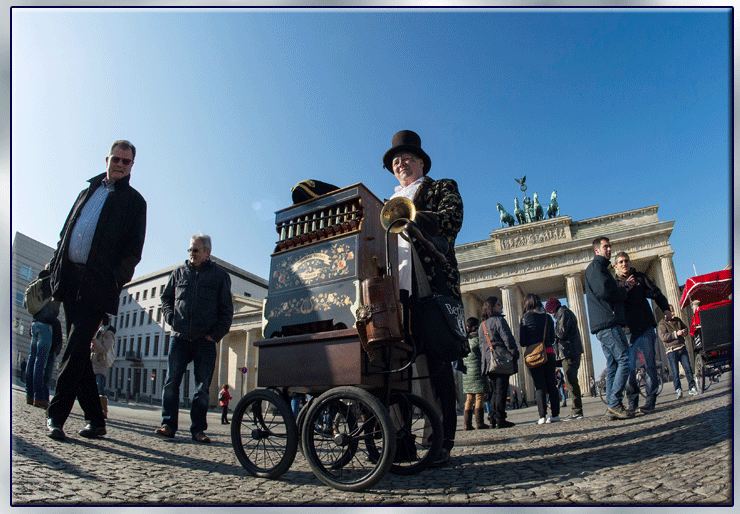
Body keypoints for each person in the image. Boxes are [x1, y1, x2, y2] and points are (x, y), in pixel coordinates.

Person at [46, 140, 147, 441]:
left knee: (76, 347)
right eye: (115, 159)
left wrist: (115, 280)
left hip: (98, 285)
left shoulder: (134, 202)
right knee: (79, 355)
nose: (119, 164)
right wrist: (52, 269)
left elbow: (133, 251)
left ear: (132, 166)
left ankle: (55, 416)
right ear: (107, 159)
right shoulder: (86, 192)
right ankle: (96, 420)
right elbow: (66, 233)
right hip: (70, 279)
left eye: (126, 162)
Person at [383, 130, 463, 466]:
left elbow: (451, 221)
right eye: (395, 161)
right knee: (397, 366)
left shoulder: (441, 186)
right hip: (396, 291)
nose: (400, 163)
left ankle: (441, 440)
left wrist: (410, 215)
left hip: (431, 286)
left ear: (420, 162)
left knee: (436, 364)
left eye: (406, 158)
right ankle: (402, 441)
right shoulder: (385, 202)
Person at [156, 234, 234, 444]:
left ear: (207, 252)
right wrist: (171, 318)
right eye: (190, 249)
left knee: (201, 389)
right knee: (171, 383)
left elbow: (227, 311)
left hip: (205, 341)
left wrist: (215, 335)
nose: (192, 254)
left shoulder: (220, 276)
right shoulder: (178, 273)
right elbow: (166, 299)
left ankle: (198, 430)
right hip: (180, 338)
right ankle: (168, 425)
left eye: (196, 250)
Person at [613, 251, 671, 414]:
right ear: (616, 266)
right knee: (629, 367)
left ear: (629, 262)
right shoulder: (615, 284)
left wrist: (665, 308)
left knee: (649, 364)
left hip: (645, 327)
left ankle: (650, 400)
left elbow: (656, 293)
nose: (624, 264)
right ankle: (632, 402)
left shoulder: (640, 277)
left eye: (626, 261)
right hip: (627, 331)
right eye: (621, 262)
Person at [585, 237, 633, 421]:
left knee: (613, 364)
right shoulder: (597, 268)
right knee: (624, 358)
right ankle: (614, 403)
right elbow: (604, 291)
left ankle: (613, 406)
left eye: (609, 246)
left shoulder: (600, 268)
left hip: (603, 323)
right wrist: (624, 291)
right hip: (607, 322)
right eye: (605, 247)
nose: (609, 249)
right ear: (596, 250)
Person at [478, 296, 519, 429]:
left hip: (489, 362)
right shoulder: (499, 320)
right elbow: (507, 338)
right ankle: (500, 418)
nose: (501, 306)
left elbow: (481, 346)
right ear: (492, 307)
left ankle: (493, 418)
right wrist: (513, 352)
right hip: (500, 359)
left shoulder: (482, 325)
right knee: (501, 390)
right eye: (499, 304)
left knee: (495, 390)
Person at [519, 293, 560, 424]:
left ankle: (542, 416)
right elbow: (553, 338)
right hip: (549, 353)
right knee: (552, 384)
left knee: (539, 385)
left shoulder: (525, 317)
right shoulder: (548, 317)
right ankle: (555, 415)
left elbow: (522, 341)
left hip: (534, 355)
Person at [545, 298, 585, 420]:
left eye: (550, 312)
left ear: (552, 309)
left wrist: (551, 332)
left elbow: (561, 333)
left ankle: (577, 411)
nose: (551, 315)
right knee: (570, 380)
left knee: (570, 380)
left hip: (569, 352)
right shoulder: (563, 313)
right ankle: (576, 410)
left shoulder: (563, 313)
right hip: (569, 351)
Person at [26, 298, 63, 410]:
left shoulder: (38, 312)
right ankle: (40, 398)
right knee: (42, 369)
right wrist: (56, 350)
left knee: (32, 361)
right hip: (50, 346)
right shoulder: (54, 321)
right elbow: (59, 338)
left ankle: (30, 395)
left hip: (36, 325)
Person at [657, 305, 699, 398]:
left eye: (673, 311)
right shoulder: (661, 325)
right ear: (665, 314)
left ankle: (692, 387)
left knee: (688, 368)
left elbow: (685, 328)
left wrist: (684, 331)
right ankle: (678, 389)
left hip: (682, 347)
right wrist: (676, 334)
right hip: (671, 351)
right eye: (670, 312)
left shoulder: (677, 320)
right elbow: (664, 337)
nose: (673, 313)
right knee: (675, 372)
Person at [461, 317, 489, 430]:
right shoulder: (478, 338)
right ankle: (479, 423)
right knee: (479, 397)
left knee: (469, 398)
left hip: (467, 372)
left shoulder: (464, 339)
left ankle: (467, 424)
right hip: (477, 370)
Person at [90, 314, 116, 418]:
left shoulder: (108, 333)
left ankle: (103, 410)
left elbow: (105, 350)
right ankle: (94, 409)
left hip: (101, 363)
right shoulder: (98, 331)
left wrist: (94, 340)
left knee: (99, 387)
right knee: (93, 387)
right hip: (94, 361)